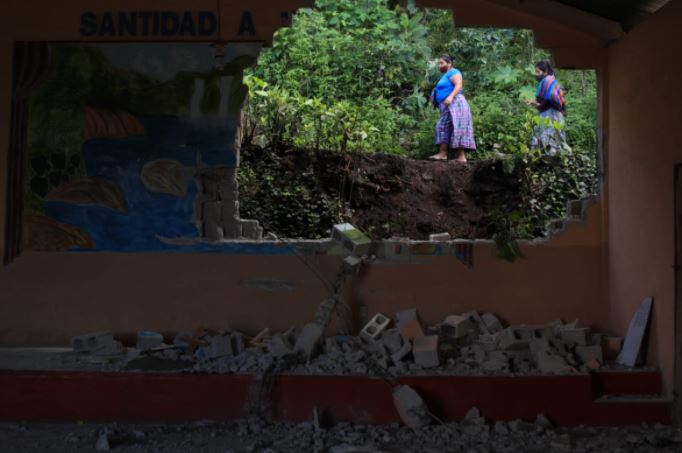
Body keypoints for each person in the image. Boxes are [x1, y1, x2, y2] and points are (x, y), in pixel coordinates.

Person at [429, 54, 476, 162]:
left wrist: (450, 97)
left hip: (455, 103)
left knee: (447, 126)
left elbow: (458, 85)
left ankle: (446, 154)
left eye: (442, 63)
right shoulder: (446, 75)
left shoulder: (454, 72)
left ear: (449, 63)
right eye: (438, 64)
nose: (439, 66)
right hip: (448, 105)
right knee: (449, 127)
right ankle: (456, 156)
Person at [524, 60, 569, 155]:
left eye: (538, 72)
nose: (536, 74)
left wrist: (537, 103)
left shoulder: (547, 81)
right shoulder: (551, 81)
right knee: (553, 138)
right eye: (535, 72)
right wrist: (532, 102)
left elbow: (550, 98)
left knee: (548, 137)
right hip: (551, 114)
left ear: (545, 72)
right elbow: (546, 101)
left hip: (552, 115)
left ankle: (549, 159)